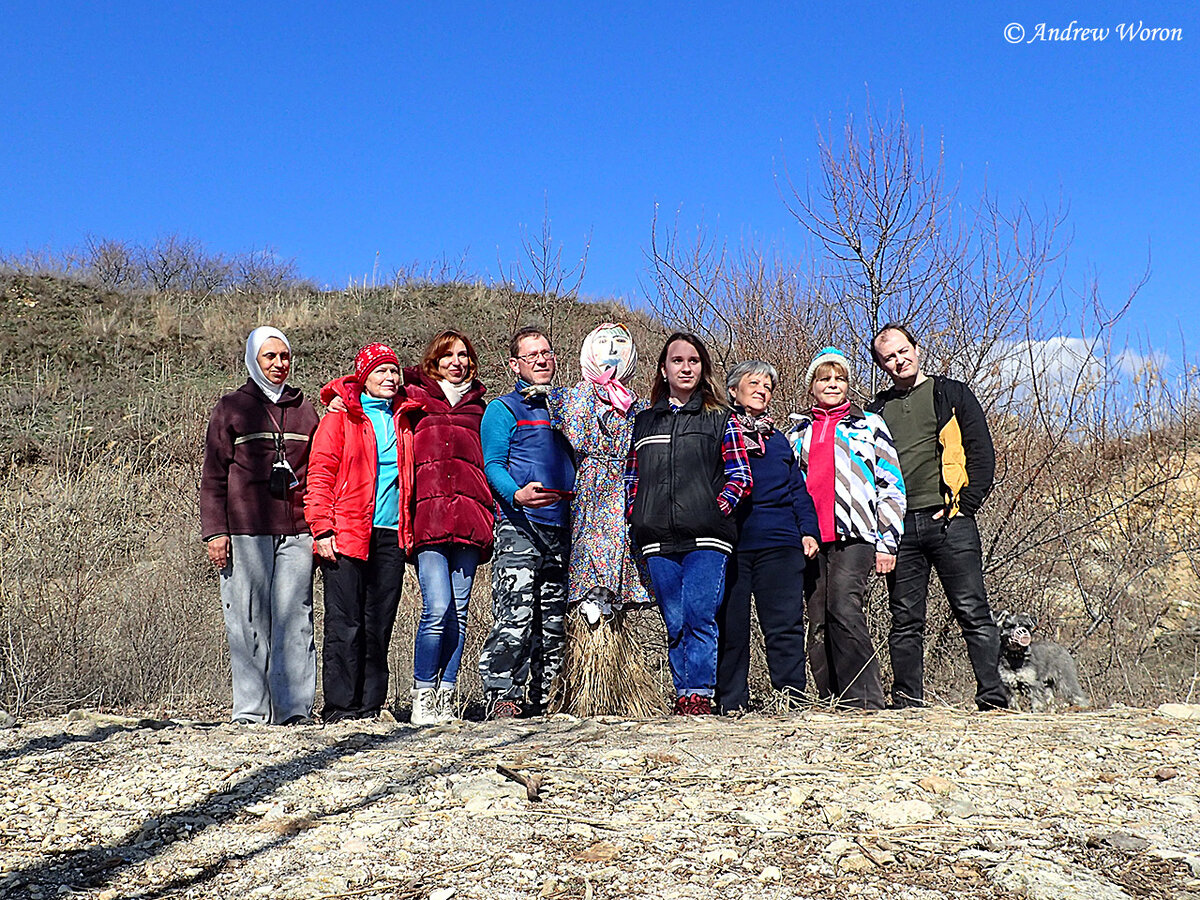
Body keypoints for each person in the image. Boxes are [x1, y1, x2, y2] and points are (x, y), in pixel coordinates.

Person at [322, 331, 494, 726]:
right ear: (433, 361)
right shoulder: (416, 401)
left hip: (468, 520)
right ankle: (421, 695)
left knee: (460, 614)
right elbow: (371, 385)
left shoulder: (479, 409)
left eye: (464, 355)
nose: (458, 362)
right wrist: (340, 395)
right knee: (437, 608)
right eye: (448, 355)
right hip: (425, 521)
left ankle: (446, 694)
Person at [866, 324, 1007, 710]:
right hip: (899, 528)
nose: (898, 360)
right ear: (881, 365)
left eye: (902, 351)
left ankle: (993, 698)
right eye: (888, 357)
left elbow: (981, 452)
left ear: (916, 347)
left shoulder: (951, 393)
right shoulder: (875, 411)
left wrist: (967, 504)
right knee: (905, 619)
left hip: (951, 521)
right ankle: (908, 701)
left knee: (972, 610)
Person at [625, 332, 752, 715]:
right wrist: (637, 513)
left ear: (703, 369)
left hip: (707, 536)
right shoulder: (644, 421)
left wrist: (715, 509)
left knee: (700, 614)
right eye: (677, 360)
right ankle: (683, 693)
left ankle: (698, 693)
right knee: (675, 619)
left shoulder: (719, 418)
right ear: (663, 369)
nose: (685, 367)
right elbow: (633, 477)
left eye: (693, 361)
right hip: (656, 537)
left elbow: (741, 475)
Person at [200, 326, 320, 725]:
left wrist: (319, 525)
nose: (278, 364)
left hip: (297, 529)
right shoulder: (231, 407)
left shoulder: (305, 410)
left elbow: (318, 471)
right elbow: (214, 475)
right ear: (254, 359)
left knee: (295, 618)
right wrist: (216, 531)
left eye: (284, 357)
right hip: (245, 530)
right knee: (247, 617)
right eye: (270, 357)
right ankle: (251, 712)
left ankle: (294, 711)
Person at [548, 323, 659, 717]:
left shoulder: (639, 407)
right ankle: (582, 686)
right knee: (589, 571)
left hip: (626, 491)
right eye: (602, 348)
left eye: (619, 349)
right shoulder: (568, 400)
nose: (611, 355)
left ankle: (619, 685)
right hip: (590, 490)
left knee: (620, 569)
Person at [305, 343, 418, 723]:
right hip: (348, 530)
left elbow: (433, 385)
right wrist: (321, 528)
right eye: (380, 372)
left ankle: (370, 705)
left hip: (392, 534)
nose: (389, 378)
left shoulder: (406, 416)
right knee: (344, 622)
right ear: (363, 377)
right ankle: (340, 706)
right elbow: (319, 473)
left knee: (379, 622)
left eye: (394, 372)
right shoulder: (341, 418)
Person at [789, 347, 905, 711]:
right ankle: (830, 699)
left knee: (844, 606)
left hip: (857, 534)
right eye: (824, 378)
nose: (833, 384)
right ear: (811, 387)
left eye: (839, 378)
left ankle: (865, 700)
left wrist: (888, 541)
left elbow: (891, 482)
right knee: (819, 616)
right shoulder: (797, 432)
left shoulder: (869, 425)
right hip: (811, 537)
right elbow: (789, 487)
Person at [477, 326, 576, 719]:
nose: (541, 359)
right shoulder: (502, 409)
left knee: (552, 620)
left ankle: (543, 698)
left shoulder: (568, 407)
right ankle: (503, 696)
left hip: (563, 528)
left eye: (547, 352)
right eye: (532, 354)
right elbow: (493, 465)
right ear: (515, 363)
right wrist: (516, 494)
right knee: (515, 617)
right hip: (520, 526)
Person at [715, 360, 820, 714]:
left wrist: (808, 531)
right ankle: (731, 702)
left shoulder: (778, 441)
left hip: (780, 541)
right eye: (754, 383)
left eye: (768, 386)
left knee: (785, 625)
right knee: (731, 627)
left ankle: (792, 700)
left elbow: (797, 489)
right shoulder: (718, 430)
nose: (762, 390)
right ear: (733, 390)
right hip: (732, 543)